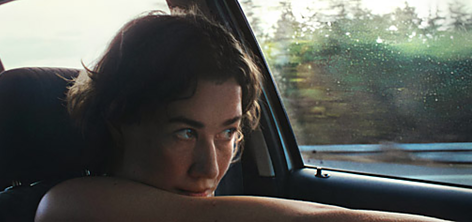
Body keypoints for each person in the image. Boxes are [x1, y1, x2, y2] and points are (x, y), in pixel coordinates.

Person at [35, 11, 446, 222]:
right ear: (118, 117)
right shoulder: (70, 205)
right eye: (184, 132)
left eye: (227, 132)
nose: (210, 168)